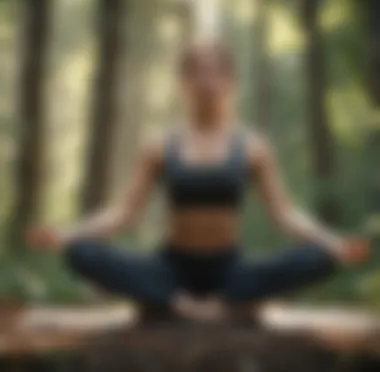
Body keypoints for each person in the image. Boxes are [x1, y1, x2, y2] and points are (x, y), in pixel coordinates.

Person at [27, 40, 370, 322]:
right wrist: (67, 234)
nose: (207, 82)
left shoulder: (252, 147)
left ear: (231, 82)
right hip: (172, 268)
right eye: (197, 72)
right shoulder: (159, 145)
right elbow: (122, 214)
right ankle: (184, 303)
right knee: (81, 253)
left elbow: (285, 214)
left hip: (229, 269)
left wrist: (333, 242)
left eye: (217, 72)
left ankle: (206, 302)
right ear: (183, 82)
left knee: (320, 258)